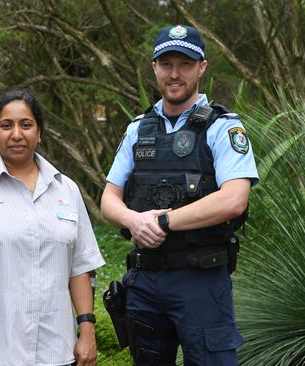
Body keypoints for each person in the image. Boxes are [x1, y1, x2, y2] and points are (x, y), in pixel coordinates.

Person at [100, 25, 259, 365]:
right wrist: (131, 219)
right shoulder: (138, 129)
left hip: (200, 280)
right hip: (146, 280)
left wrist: (163, 221)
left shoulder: (223, 126)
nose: (175, 74)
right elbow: (108, 199)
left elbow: (234, 199)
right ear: (153, 67)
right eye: (166, 63)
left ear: (202, 67)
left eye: (185, 64)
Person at [0, 89, 105, 366]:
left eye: (26, 124)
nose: (16, 134)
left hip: (56, 351)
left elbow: (80, 267)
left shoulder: (67, 190)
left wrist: (87, 330)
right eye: (6, 125)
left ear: (39, 132)